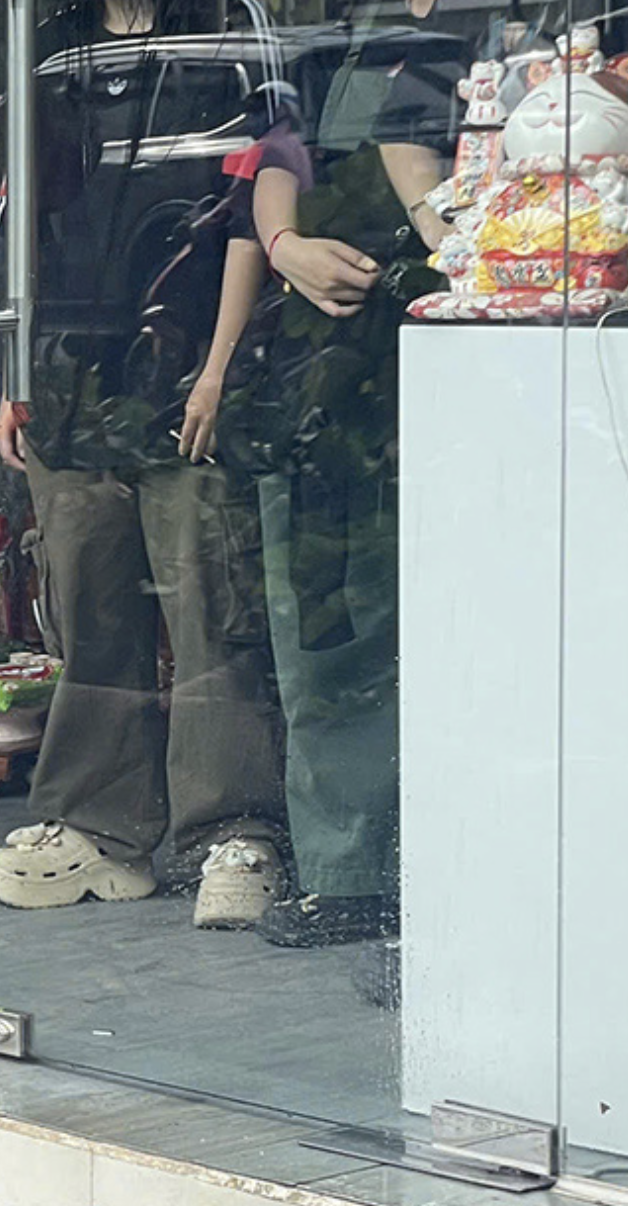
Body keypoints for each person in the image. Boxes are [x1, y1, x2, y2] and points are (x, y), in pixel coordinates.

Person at [0, 0, 289, 928]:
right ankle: (93, 823)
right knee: (87, 599)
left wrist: (222, 367)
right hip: (73, 373)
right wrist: (12, 377)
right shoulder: (52, 37)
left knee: (209, 604)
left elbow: (256, 194)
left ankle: (236, 825)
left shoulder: (228, 21)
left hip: (193, 369)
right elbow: (22, 216)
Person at [230, 0, 463, 949]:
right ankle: (347, 875)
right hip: (323, 372)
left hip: (450, 358)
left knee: (447, 622)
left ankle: (446, 875)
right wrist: (287, 249)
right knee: (322, 618)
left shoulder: (505, 21)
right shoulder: (339, 30)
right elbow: (276, 152)